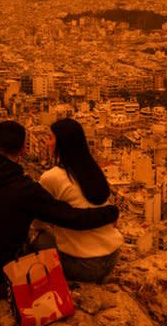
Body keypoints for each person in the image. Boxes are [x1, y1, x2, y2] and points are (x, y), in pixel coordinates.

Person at [0, 120, 120, 301]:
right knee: (31, 239)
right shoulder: (27, 190)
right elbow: (73, 218)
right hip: (4, 284)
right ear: (23, 151)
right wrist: (110, 212)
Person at [33, 118, 123, 283]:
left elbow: (37, 223)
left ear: (62, 144)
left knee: (35, 236)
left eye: (51, 138)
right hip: (111, 258)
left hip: (84, 267)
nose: (47, 143)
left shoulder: (51, 177)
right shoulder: (93, 170)